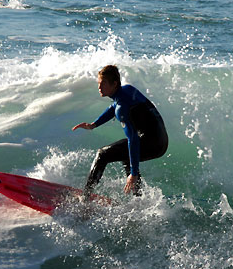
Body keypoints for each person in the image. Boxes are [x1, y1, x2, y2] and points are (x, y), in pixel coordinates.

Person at [72, 65, 168, 197]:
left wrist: (133, 173)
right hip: (160, 140)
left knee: (102, 154)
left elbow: (133, 139)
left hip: (152, 143)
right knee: (126, 154)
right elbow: (112, 107)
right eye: (99, 83)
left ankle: (85, 197)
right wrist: (93, 125)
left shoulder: (122, 108)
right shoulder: (126, 90)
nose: (99, 87)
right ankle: (139, 199)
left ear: (114, 84)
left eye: (103, 84)